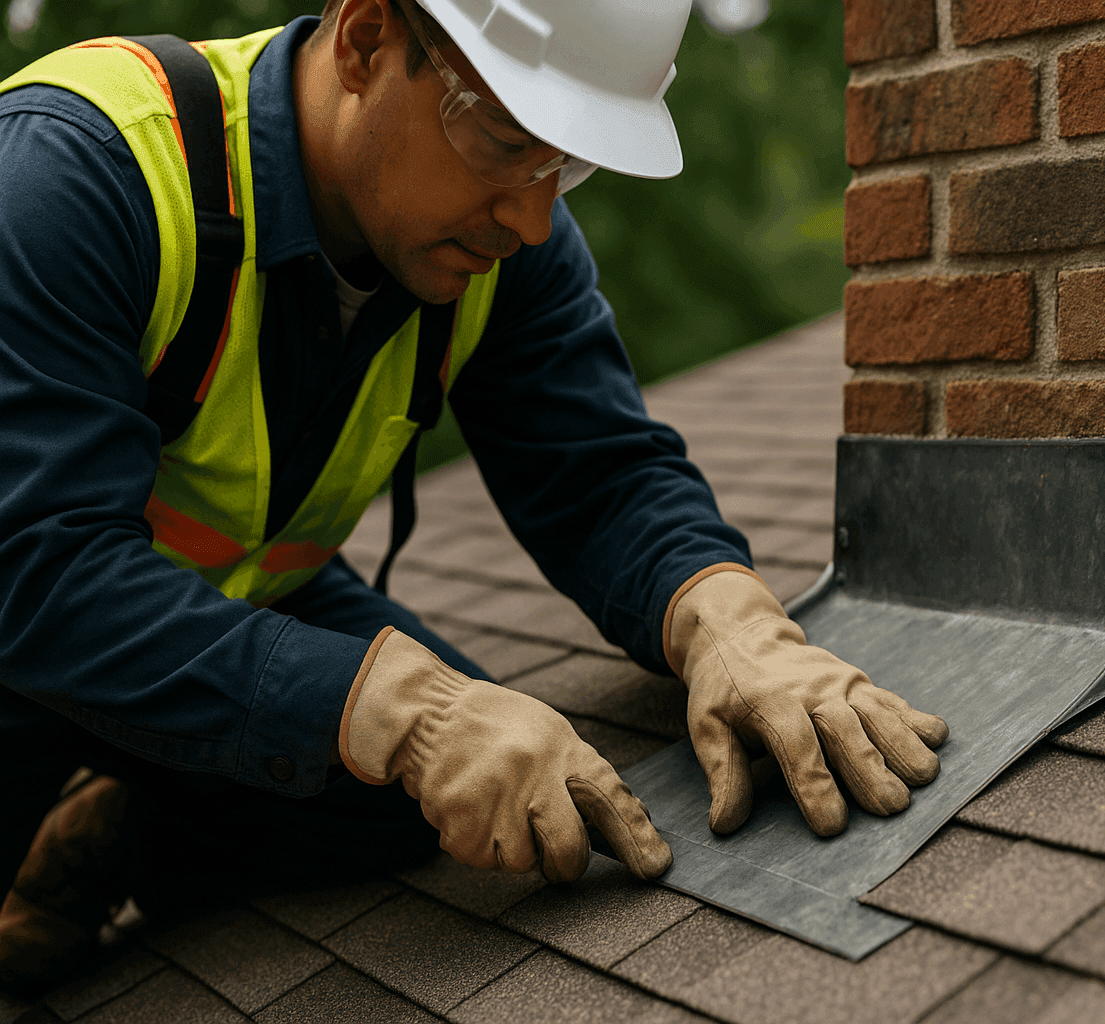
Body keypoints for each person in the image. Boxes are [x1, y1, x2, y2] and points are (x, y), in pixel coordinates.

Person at [0, 0, 948, 993]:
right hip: (35, 610)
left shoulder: (500, 232)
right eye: (503, 143)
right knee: (404, 728)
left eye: (564, 165)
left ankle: (112, 835)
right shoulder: (75, 170)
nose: (532, 217)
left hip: (214, 599)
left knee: (452, 782)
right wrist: (400, 710)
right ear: (367, 39)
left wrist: (727, 622)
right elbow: (36, 566)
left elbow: (599, 474)